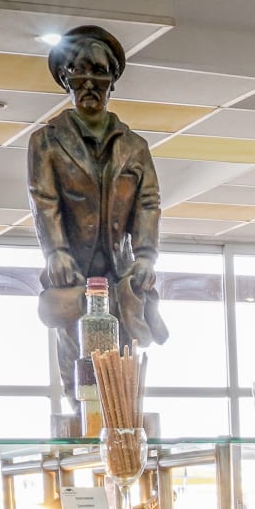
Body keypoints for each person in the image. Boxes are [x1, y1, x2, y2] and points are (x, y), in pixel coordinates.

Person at [26, 25, 169, 354]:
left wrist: (146, 256)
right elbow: (44, 200)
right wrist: (56, 252)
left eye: (100, 73)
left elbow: (148, 204)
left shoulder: (135, 147)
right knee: (77, 358)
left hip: (120, 272)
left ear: (112, 81)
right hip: (73, 271)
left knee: (123, 361)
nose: (89, 83)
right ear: (66, 79)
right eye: (79, 73)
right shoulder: (46, 141)